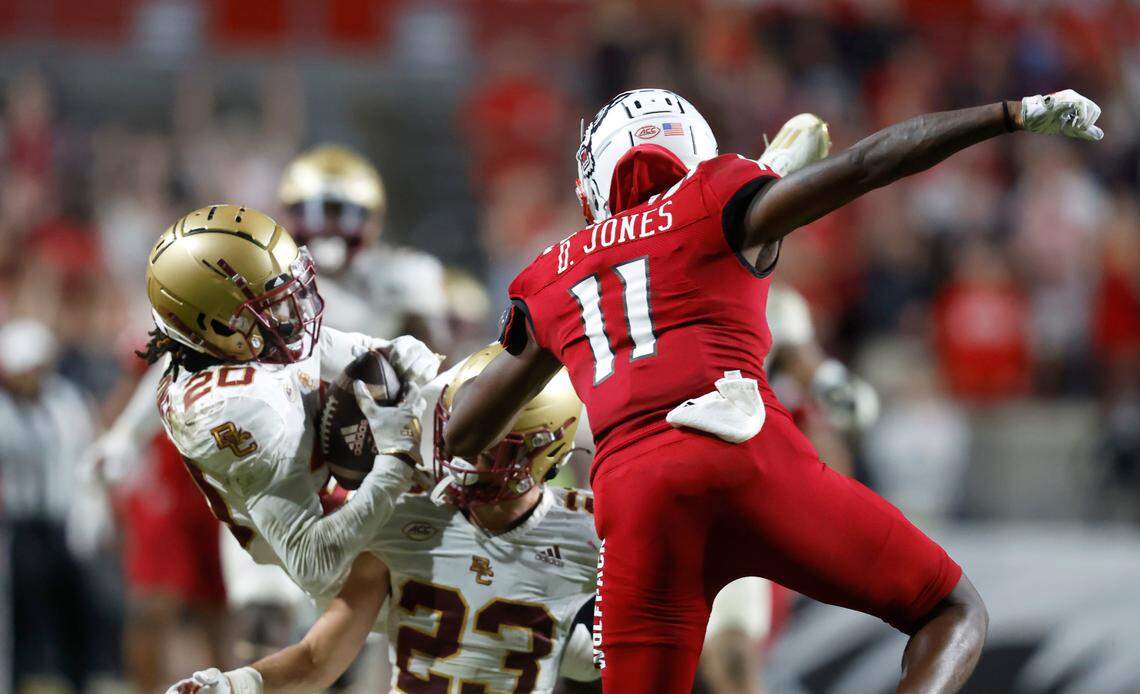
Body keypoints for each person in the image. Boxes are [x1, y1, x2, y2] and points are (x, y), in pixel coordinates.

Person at [444, 88, 1103, 692]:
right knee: (952, 610)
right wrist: (1008, 115)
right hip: (747, 458)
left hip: (636, 497)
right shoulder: (716, 197)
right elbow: (871, 163)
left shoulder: (553, 273)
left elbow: (466, 432)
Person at [167, 344, 601, 694]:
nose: (465, 453)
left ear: (546, 448)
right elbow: (318, 658)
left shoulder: (593, 529)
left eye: (490, 447)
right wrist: (231, 684)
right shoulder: (402, 514)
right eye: (460, 429)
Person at [140, 203, 438, 603]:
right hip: (319, 547)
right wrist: (395, 459)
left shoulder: (241, 346)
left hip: (340, 496)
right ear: (215, 326)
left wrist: (402, 356)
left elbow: (348, 351)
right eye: (272, 305)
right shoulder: (235, 407)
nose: (296, 313)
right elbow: (315, 566)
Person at [277, 143, 450, 348]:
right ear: (287, 215)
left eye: (345, 215)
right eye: (313, 213)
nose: (329, 228)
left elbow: (436, 360)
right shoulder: (270, 277)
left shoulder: (406, 274)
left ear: (374, 220)